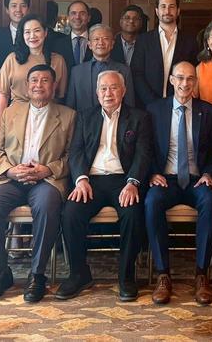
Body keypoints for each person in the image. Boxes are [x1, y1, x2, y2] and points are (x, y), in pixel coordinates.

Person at [0, 65, 77, 303]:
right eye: (34, 80)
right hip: (12, 177)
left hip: (47, 179)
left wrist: (48, 169)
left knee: (47, 206)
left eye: (45, 80)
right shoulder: (10, 112)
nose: (38, 85)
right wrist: (10, 170)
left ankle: (37, 274)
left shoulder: (68, 115)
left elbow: (72, 156)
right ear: (27, 85)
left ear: (54, 86)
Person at [57, 71, 153, 302]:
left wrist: (133, 182)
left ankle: (126, 276)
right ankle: (79, 273)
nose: (108, 93)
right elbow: (76, 151)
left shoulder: (139, 117)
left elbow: (143, 154)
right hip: (92, 180)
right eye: (103, 88)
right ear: (97, 92)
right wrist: (81, 179)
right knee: (71, 213)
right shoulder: (85, 116)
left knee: (133, 213)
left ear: (124, 90)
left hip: (123, 180)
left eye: (114, 87)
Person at [144, 62, 212, 306]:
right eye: (180, 78)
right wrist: (151, 173)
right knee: (151, 202)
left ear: (195, 82)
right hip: (165, 179)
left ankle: (202, 275)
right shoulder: (154, 110)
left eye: (190, 79)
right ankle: (163, 275)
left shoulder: (209, 111)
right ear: (171, 80)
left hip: (197, 179)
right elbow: (145, 148)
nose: (185, 83)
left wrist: (209, 173)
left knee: (210, 202)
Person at [130, 0, 200, 108]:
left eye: (171, 7)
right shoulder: (143, 40)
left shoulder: (190, 41)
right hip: (148, 105)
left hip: (179, 104)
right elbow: (137, 74)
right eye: (163, 6)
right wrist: (152, 102)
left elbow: (194, 73)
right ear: (157, 11)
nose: (167, 11)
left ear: (178, 11)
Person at [0, 15, 68, 116]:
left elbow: (60, 97)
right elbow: (3, 96)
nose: (32, 36)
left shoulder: (58, 60)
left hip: (47, 116)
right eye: (27, 32)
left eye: (37, 31)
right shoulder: (12, 59)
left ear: (45, 32)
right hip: (15, 116)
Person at [64, 24, 133, 114]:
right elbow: (70, 107)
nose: (101, 43)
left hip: (116, 121)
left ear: (112, 44)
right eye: (96, 39)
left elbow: (130, 106)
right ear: (89, 44)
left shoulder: (124, 71)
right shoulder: (77, 72)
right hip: (85, 121)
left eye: (105, 39)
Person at [64, 0, 94, 66]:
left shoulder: (97, 42)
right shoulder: (57, 44)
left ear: (89, 18)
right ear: (68, 17)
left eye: (82, 13)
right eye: (73, 13)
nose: (77, 17)